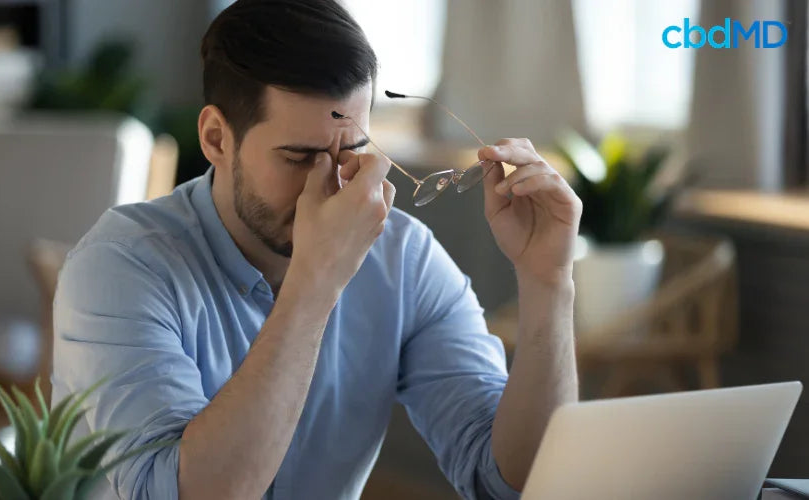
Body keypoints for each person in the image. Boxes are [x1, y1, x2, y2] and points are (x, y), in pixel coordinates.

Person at [51, 0, 582, 498]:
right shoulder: (119, 267)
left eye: (352, 151)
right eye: (299, 157)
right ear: (216, 139)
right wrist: (316, 279)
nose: (329, 187)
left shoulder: (403, 259)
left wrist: (548, 281)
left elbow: (510, 480)